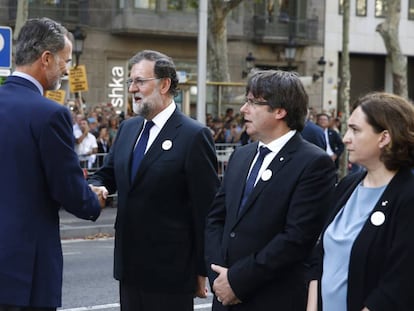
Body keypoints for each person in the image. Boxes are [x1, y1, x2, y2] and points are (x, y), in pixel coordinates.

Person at [88, 49, 220, 311]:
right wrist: (99, 186)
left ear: (164, 84)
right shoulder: (128, 128)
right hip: (129, 268)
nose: (132, 89)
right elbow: (108, 173)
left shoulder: (194, 135)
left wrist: (202, 269)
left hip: (171, 273)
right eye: (130, 82)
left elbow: (206, 209)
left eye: (139, 81)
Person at [205, 70, 336, 310]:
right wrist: (218, 277)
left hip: (272, 297)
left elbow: (296, 239)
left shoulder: (314, 164)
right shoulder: (241, 156)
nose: (244, 109)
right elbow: (216, 219)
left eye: (253, 102)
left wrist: (238, 281)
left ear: (279, 111)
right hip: (224, 295)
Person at [0, 17, 102, 310]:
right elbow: (66, 186)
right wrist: (93, 200)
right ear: (46, 59)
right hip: (24, 273)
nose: (67, 69)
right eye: (65, 61)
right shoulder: (49, 114)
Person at [307, 92, 414, 311]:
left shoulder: (407, 196)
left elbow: (400, 282)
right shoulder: (348, 186)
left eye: (355, 130)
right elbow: (319, 255)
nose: (346, 138)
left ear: (384, 137)